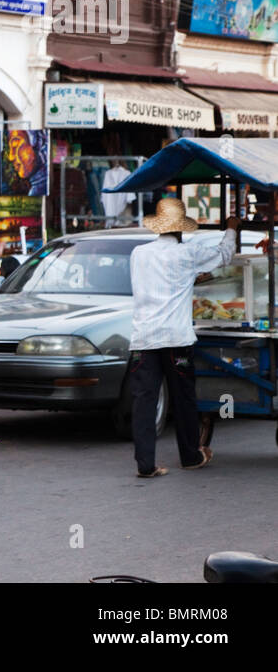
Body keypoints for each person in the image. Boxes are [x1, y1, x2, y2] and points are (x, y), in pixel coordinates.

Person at [128, 199, 238, 478]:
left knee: (144, 401)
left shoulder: (138, 254)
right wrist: (232, 228)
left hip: (144, 339)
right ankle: (190, 456)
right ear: (180, 229)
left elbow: (158, 281)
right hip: (176, 338)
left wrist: (189, 280)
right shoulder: (188, 254)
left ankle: (145, 464)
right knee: (183, 398)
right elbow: (225, 254)